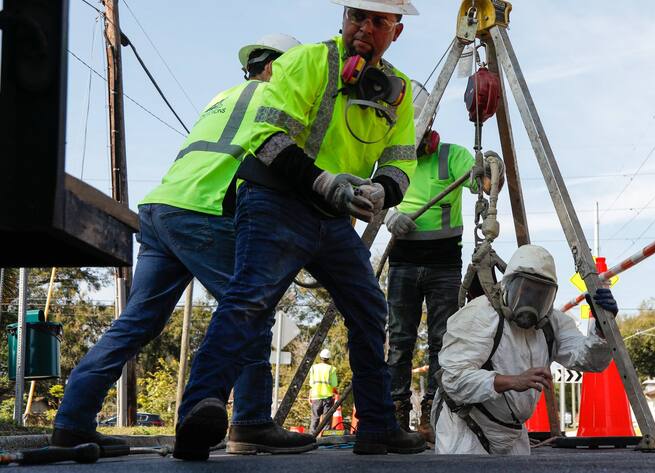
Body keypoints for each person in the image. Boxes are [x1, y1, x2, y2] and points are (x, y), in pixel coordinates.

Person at [174, 0, 425, 460]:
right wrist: (323, 182)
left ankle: (377, 427)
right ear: (343, 19)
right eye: (356, 16)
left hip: (332, 217)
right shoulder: (306, 62)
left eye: (378, 21)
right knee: (249, 299)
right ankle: (199, 412)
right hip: (276, 199)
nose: (364, 28)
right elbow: (267, 138)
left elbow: (400, 159)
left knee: (369, 309)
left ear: (397, 31)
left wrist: (382, 192)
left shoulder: (398, 91)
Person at [51, 34, 317, 456]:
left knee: (136, 322)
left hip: (162, 208)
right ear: (276, 68)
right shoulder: (280, 102)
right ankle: (252, 422)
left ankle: (72, 422)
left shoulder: (222, 98)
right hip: (205, 210)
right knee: (250, 311)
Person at [384, 80, 498, 443]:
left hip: (443, 264)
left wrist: (489, 167)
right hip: (403, 259)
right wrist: (388, 216)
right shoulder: (392, 159)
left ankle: (433, 413)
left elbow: (486, 184)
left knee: (442, 340)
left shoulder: (453, 156)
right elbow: (373, 197)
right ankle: (396, 414)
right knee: (399, 340)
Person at [433, 245, 616, 455]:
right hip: (466, 430)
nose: (531, 300)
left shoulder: (551, 323)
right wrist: (512, 381)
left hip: (513, 434)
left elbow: (590, 361)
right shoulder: (480, 315)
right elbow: (454, 380)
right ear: (507, 285)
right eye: (526, 289)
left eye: (540, 293)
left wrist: (602, 329)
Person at [309, 349, 339, 433]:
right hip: (327, 397)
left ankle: (311, 437)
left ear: (320, 357)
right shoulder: (332, 369)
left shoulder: (313, 368)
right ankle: (325, 437)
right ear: (329, 358)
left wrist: (310, 395)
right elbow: (334, 384)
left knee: (315, 418)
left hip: (316, 396)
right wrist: (335, 391)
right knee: (326, 419)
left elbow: (311, 383)